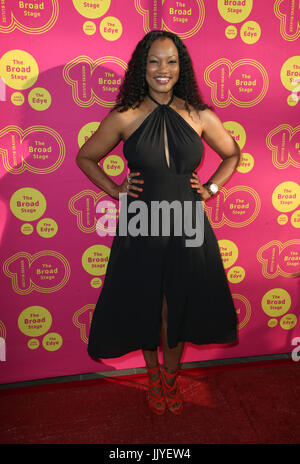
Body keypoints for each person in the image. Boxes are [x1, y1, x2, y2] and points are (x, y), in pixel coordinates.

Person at [76, 30, 241, 415]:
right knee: (145, 302)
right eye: (153, 61)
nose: (162, 69)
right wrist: (117, 190)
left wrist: (212, 189)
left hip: (187, 222)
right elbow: (86, 157)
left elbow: (232, 154)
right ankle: (153, 376)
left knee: (178, 305)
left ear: (180, 67)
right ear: (141, 67)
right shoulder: (125, 115)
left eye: (170, 61)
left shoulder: (199, 115)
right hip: (141, 223)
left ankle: (170, 377)